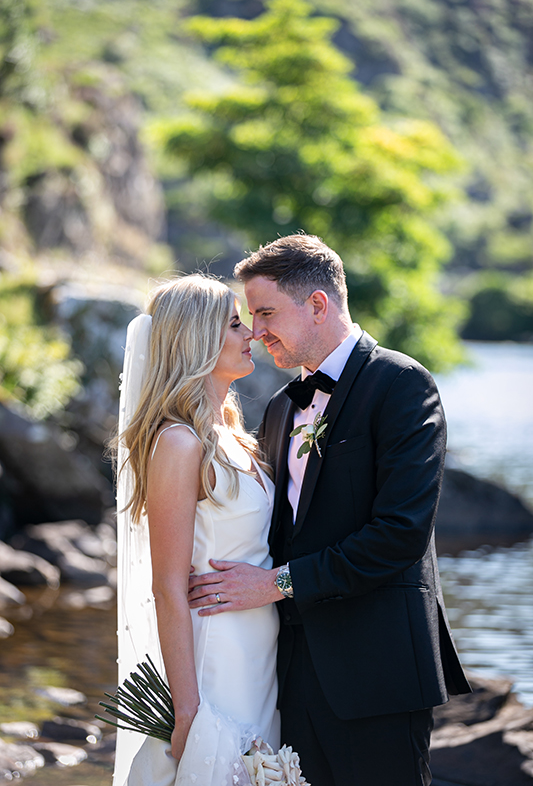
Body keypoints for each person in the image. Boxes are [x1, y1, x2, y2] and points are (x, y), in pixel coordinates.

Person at [188, 234, 471, 786]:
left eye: (266, 312)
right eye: (249, 316)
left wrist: (278, 584)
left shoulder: (402, 384)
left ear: (318, 305)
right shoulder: (276, 409)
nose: (257, 329)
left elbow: (400, 534)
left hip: (377, 671)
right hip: (285, 675)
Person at [113, 274, 281, 786]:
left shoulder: (234, 435)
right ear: (198, 340)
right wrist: (187, 711)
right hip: (214, 656)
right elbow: (166, 583)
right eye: (235, 324)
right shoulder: (179, 443)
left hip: (260, 650)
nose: (250, 332)